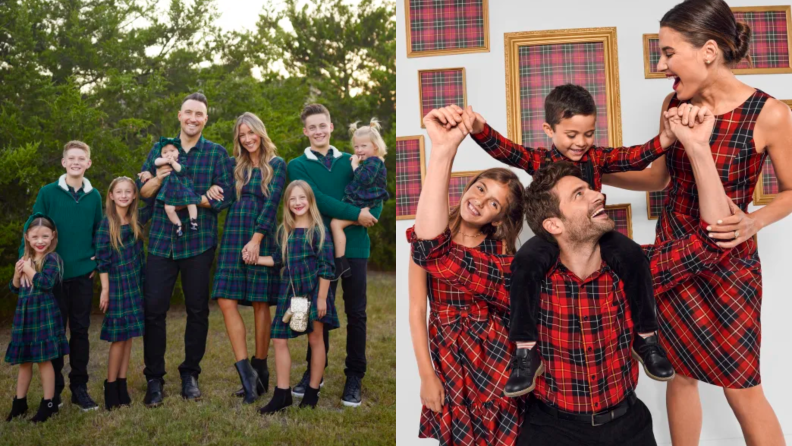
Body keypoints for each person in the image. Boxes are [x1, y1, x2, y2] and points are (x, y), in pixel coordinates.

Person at [411, 104, 735, 446]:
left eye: (591, 188)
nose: (600, 193)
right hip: (551, 431)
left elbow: (713, 242)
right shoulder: (523, 279)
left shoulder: (633, 267)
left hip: (629, 427)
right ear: (553, 224)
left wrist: (698, 148)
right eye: (581, 194)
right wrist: (443, 151)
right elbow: (432, 251)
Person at [603, 1, 792, 444]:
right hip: (673, 256)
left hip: (729, 264)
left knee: (742, 386)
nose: (661, 62)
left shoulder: (770, 114)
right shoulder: (675, 101)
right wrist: (591, 170)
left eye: (669, 52)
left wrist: (754, 222)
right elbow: (660, 176)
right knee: (680, 374)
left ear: (708, 50)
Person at [441, 83, 679, 396]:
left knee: (634, 255)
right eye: (572, 135)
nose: (581, 142)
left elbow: (633, 157)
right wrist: (478, 128)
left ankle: (646, 338)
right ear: (549, 130)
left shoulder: (598, 158)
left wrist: (666, 139)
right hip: (552, 238)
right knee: (524, 265)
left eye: (589, 133)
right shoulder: (539, 160)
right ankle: (526, 351)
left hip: (592, 234)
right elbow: (507, 150)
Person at [407, 164, 526, 445]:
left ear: (498, 219)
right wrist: (426, 375)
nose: (480, 201)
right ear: (469, 185)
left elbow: (512, 308)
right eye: (480, 188)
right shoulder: (427, 238)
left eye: (493, 203)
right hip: (449, 356)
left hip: (496, 353)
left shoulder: (501, 247)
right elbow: (416, 310)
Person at [136, 92, 233, 407]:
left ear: (206, 119)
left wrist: (191, 199)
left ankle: (190, 372)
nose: (193, 118)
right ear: (179, 115)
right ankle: (154, 378)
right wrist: (162, 178)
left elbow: (224, 197)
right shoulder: (160, 149)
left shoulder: (217, 154)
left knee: (197, 310)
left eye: (199, 115)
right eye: (188, 113)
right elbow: (145, 192)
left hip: (199, 242)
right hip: (162, 243)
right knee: (154, 311)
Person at [287, 104, 381, 407]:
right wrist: (356, 213)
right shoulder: (297, 165)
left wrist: (367, 214)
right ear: (305, 131)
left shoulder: (354, 160)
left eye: (322, 125)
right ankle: (316, 371)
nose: (318, 131)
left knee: (357, 313)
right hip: (316, 249)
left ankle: (354, 375)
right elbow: (318, 200)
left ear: (330, 126)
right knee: (319, 313)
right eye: (312, 127)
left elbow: (376, 198)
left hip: (354, 247)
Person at [207, 112, 287, 404]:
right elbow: (224, 198)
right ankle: (246, 374)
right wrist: (210, 191)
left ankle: (261, 368)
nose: (247, 138)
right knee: (226, 299)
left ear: (260, 133)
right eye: (242, 134)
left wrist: (257, 239)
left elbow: (273, 203)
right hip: (232, 234)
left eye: (251, 132)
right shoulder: (233, 165)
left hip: (260, 234)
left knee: (259, 301)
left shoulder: (277, 165)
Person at [20, 140, 103, 411]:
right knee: (55, 333)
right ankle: (52, 391)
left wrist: (97, 260)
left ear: (88, 163)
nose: (77, 162)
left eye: (82, 158)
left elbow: (98, 232)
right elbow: (32, 228)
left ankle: (79, 388)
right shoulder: (48, 192)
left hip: (81, 274)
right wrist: (26, 264)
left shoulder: (95, 196)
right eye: (72, 158)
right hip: (50, 277)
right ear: (64, 162)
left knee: (79, 331)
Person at [257, 180, 338, 413]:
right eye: (292, 199)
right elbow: (277, 259)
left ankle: (312, 392)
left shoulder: (318, 230)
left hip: (314, 293)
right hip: (290, 296)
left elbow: (326, 267)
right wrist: (254, 258)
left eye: (302, 198)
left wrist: (322, 298)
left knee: (315, 340)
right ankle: (282, 393)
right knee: (279, 339)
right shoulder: (285, 231)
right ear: (287, 203)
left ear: (310, 200)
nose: (297, 202)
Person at [5, 215, 69, 423]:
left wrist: (30, 270)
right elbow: (15, 289)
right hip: (25, 317)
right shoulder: (24, 260)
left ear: (52, 237)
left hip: (44, 316)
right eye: (35, 237)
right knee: (25, 362)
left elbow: (46, 283)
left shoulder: (52, 259)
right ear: (27, 238)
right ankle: (19, 403)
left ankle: (49, 403)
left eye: (45, 236)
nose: (40, 241)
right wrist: (17, 274)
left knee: (43, 360)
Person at [95, 177, 151, 410]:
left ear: (135, 195)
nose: (124, 195)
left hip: (135, 283)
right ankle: (110, 388)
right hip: (116, 285)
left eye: (129, 191)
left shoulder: (136, 219)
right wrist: (105, 290)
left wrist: (151, 177)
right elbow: (102, 260)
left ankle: (121, 383)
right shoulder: (106, 224)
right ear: (111, 195)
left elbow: (158, 202)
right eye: (119, 192)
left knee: (128, 337)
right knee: (118, 338)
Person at [330, 119, 389, 279]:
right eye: (356, 146)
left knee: (335, 224)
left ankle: (340, 263)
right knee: (337, 223)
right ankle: (342, 261)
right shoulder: (373, 161)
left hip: (367, 204)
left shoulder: (373, 161)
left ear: (375, 146)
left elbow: (364, 179)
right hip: (364, 202)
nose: (359, 150)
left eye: (364, 146)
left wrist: (355, 164)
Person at [139, 138, 202, 238]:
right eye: (165, 152)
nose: (169, 154)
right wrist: (165, 160)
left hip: (182, 188)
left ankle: (193, 220)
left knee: (191, 201)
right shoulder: (161, 162)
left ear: (178, 151)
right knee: (168, 208)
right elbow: (156, 162)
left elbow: (181, 170)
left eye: (172, 151)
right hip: (170, 190)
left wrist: (173, 162)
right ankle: (178, 224)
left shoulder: (181, 160)